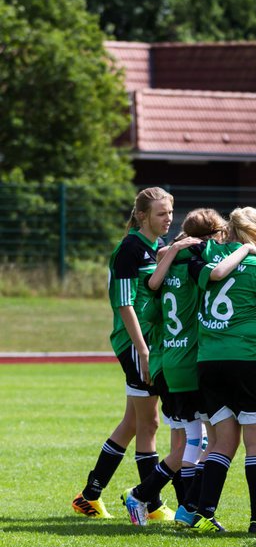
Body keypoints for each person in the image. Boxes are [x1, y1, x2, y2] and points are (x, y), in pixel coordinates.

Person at [121, 209, 256, 524]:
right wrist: (245, 249)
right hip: (191, 363)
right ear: (210, 238)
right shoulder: (197, 268)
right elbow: (215, 284)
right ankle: (151, 497)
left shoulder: (167, 267)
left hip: (167, 364)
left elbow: (151, 310)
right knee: (205, 443)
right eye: (220, 237)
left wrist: (169, 252)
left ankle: (191, 509)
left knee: (194, 440)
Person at [175, 207, 256, 533]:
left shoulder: (205, 256)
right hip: (248, 357)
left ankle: (203, 512)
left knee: (222, 440)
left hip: (209, 359)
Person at [72, 188, 173, 521]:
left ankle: (90, 495)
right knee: (150, 422)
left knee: (134, 422)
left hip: (151, 341)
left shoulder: (158, 247)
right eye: (161, 213)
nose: (168, 218)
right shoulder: (129, 249)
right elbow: (124, 303)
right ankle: (151, 503)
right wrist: (142, 349)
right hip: (135, 342)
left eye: (171, 212)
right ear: (142, 216)